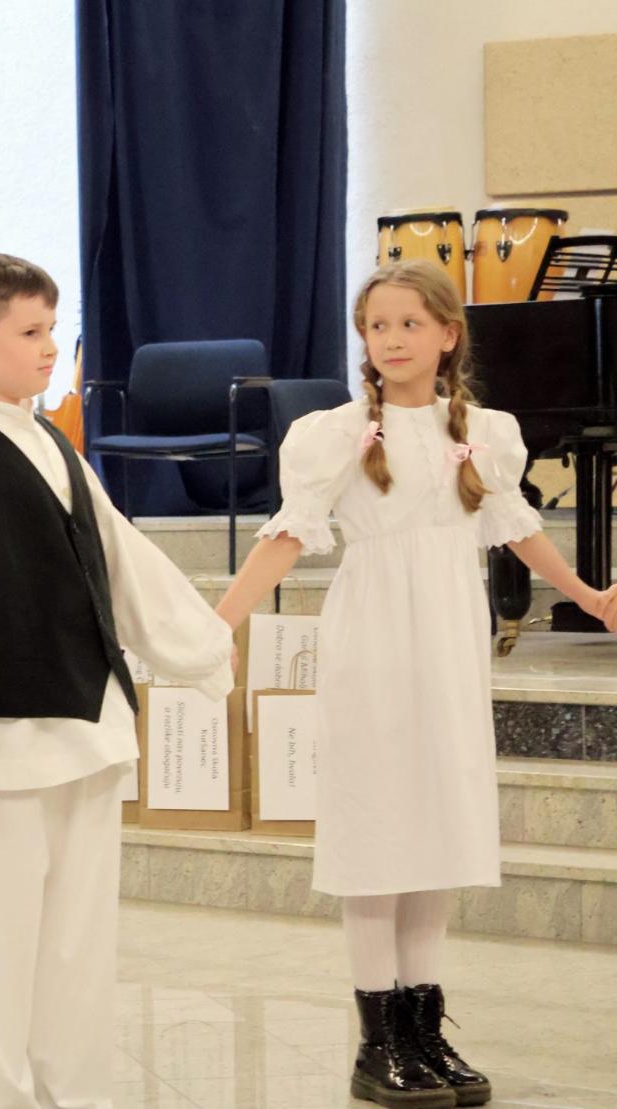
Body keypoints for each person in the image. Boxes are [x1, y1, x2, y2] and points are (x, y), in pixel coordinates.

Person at [215, 260, 617, 1109]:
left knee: (436, 827)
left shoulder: (485, 431)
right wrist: (221, 623)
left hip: (449, 639)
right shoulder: (335, 433)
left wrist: (585, 595)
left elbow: (516, 527)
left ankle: (424, 1031)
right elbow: (287, 535)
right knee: (377, 827)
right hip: (375, 636)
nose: (391, 340)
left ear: (447, 334)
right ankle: (378, 1041)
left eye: (409, 324)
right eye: (376, 326)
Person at [0, 250, 236, 1107]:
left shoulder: (49, 437)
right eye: (32, 331)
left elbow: (119, 555)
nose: (52, 347)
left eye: (53, 328)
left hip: (87, 722)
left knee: (76, 944)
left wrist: (200, 646)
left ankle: (72, 1093)